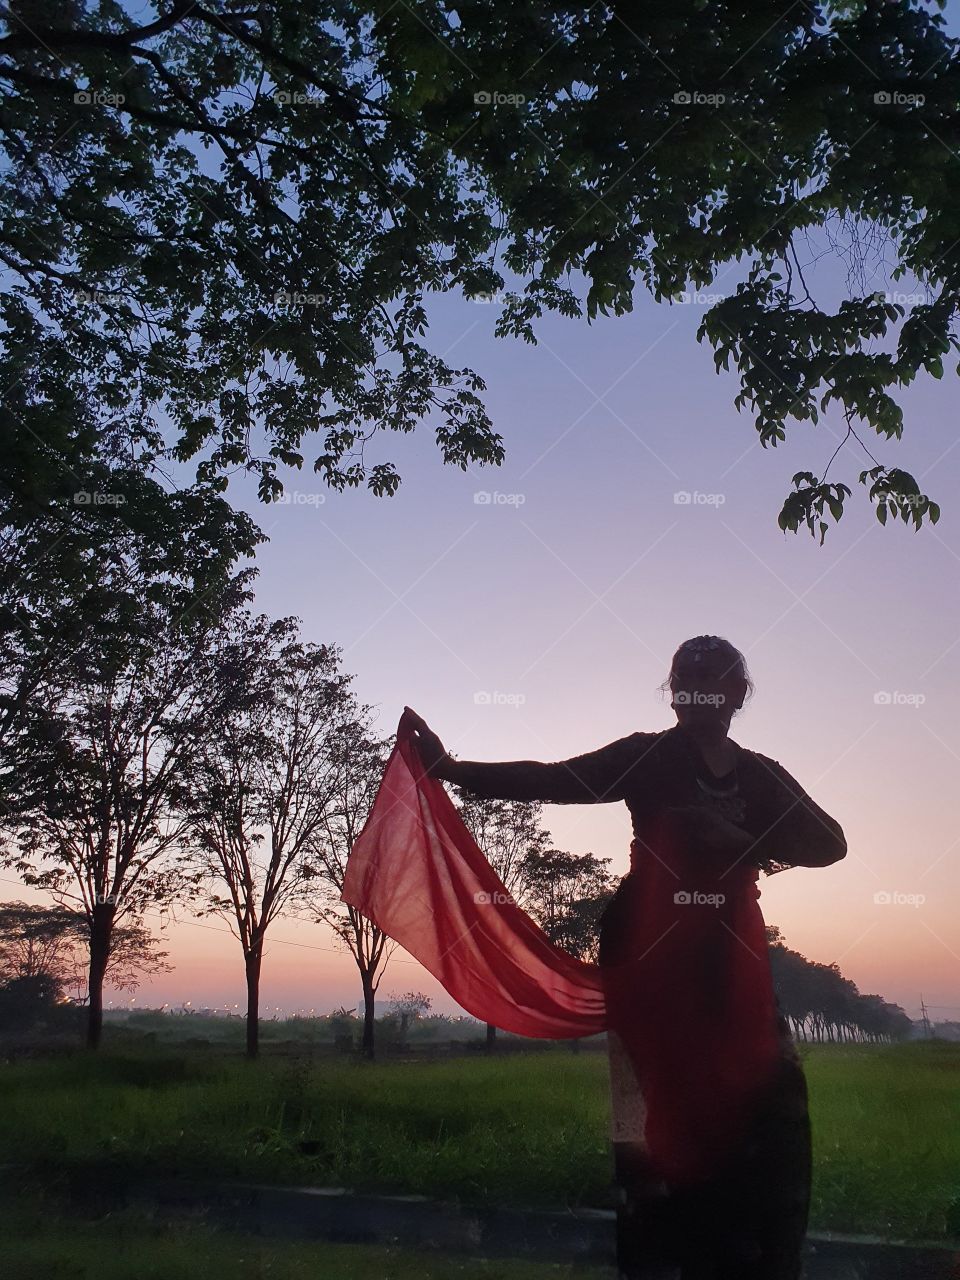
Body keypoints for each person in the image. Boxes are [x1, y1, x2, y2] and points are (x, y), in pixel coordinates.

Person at [406, 636, 846, 1280]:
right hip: (651, 948)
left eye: (713, 675)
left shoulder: (762, 774)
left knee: (768, 1097)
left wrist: (743, 839)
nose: (697, 685)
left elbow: (830, 843)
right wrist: (452, 768)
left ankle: (753, 1260)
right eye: (684, 675)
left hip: (731, 956)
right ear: (672, 691)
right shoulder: (645, 757)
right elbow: (553, 780)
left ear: (738, 693)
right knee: (658, 1108)